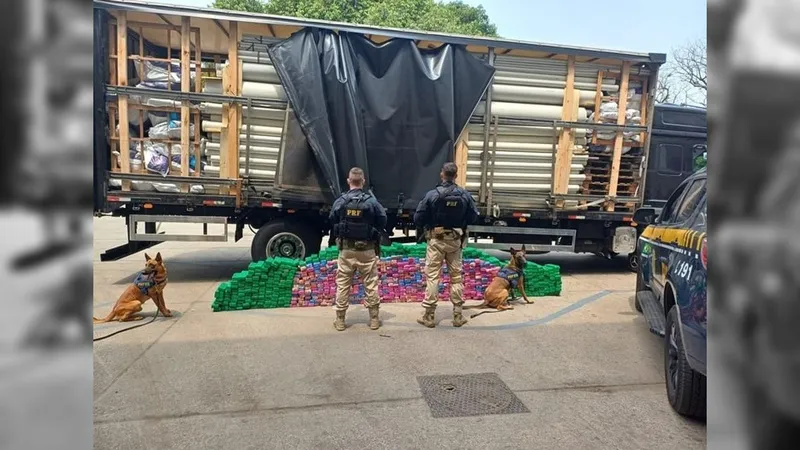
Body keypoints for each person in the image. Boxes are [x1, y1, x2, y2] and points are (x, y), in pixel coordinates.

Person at [414, 162, 479, 328]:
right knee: (456, 276)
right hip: (455, 241)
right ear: (456, 176)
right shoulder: (464, 195)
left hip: (436, 240)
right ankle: (458, 315)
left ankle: (429, 316)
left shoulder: (432, 195)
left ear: (442, 174)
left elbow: (418, 217)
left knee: (433, 276)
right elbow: (473, 217)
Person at [329, 167, 387, 331]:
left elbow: (332, 219)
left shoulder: (341, 201)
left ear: (349, 181)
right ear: (363, 181)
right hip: (367, 250)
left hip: (347, 250)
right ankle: (374, 320)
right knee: (371, 284)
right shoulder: (371, 201)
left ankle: (340, 320)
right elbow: (382, 220)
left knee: (343, 284)